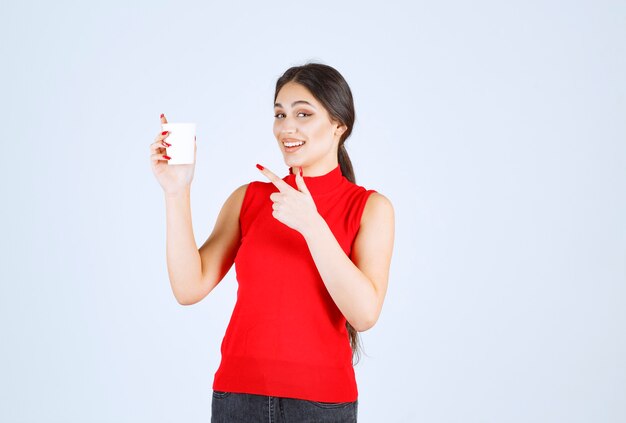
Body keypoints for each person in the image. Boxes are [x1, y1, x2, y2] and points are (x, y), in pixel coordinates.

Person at [150, 62, 395, 422]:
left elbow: (364, 313)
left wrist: (311, 225)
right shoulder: (249, 198)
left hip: (322, 405)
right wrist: (176, 190)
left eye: (303, 113)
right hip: (238, 398)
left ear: (339, 126)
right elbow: (188, 287)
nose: (287, 127)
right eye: (280, 114)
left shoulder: (370, 208)